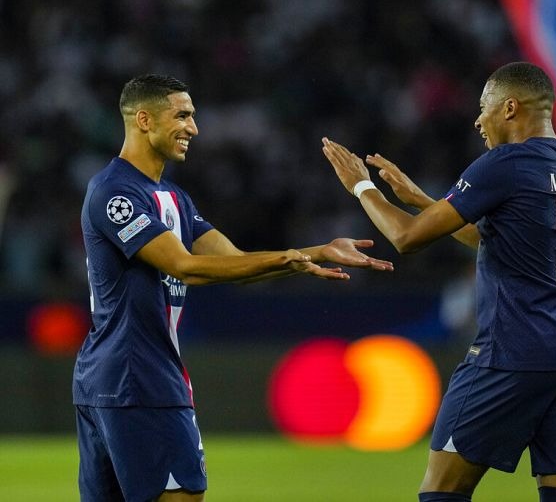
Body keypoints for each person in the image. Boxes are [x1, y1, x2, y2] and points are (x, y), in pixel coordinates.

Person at [74, 74, 393, 502]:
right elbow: (186, 267)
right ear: (145, 120)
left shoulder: (174, 199)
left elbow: (234, 262)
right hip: (139, 379)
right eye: (182, 116)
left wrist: (318, 253)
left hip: (117, 379)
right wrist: (290, 257)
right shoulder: (117, 192)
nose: (194, 128)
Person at [322, 61, 556, 502]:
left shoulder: (504, 163)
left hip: (512, 354)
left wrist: (362, 188)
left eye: (484, 107)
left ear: (510, 108)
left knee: (443, 489)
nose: (478, 120)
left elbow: (406, 238)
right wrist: (423, 199)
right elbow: (497, 239)